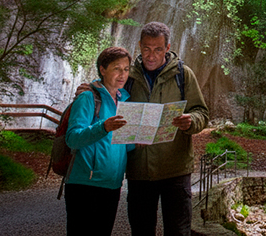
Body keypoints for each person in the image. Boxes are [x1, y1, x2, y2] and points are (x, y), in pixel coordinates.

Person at [126, 21, 209, 236]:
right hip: (139, 170)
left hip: (176, 170)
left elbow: (201, 111)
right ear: (139, 46)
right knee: (141, 231)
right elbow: (107, 95)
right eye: (146, 49)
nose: (151, 55)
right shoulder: (128, 76)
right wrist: (91, 89)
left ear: (167, 47)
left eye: (158, 49)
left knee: (178, 231)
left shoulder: (183, 74)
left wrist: (191, 121)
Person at [64, 46, 133, 236]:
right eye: (116, 68)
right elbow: (72, 138)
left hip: (112, 184)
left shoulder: (125, 101)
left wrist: (139, 139)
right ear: (103, 69)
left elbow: (122, 145)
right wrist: (103, 127)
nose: (122, 74)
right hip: (84, 184)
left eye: (126, 69)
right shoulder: (88, 97)